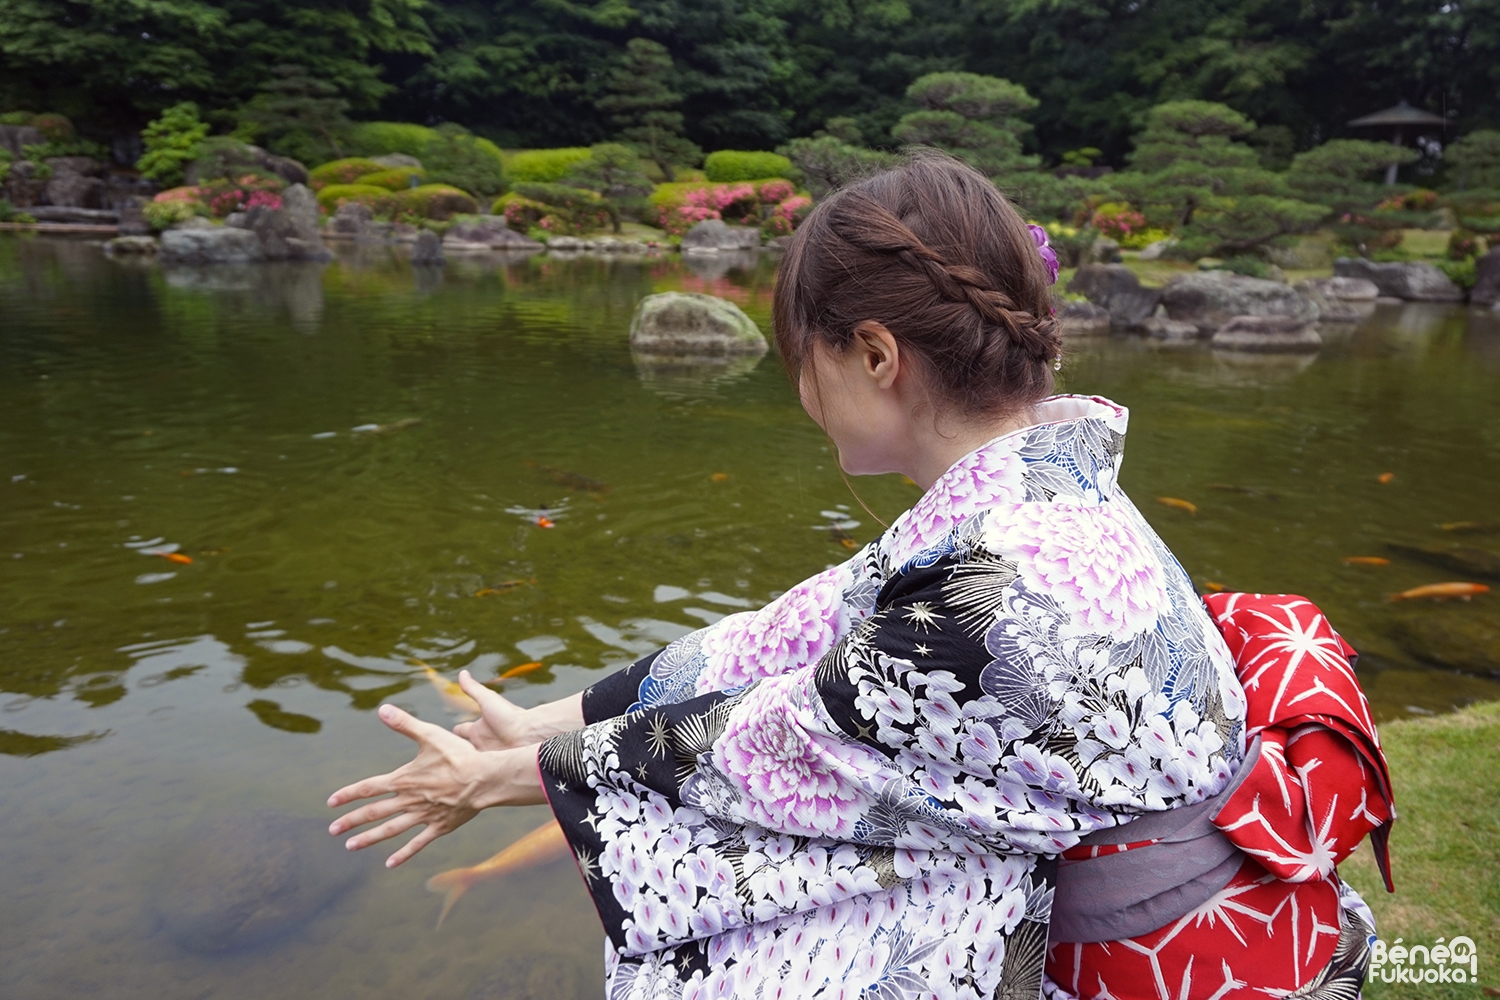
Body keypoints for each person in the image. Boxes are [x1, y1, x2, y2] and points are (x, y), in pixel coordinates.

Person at [329, 152, 1393, 1000]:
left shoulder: (983, 600)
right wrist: (542, 720)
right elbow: (788, 633)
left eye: (809, 356)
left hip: (1179, 970)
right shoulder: (1043, 487)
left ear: (876, 353)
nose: (803, 390)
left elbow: (774, 741)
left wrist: (496, 778)